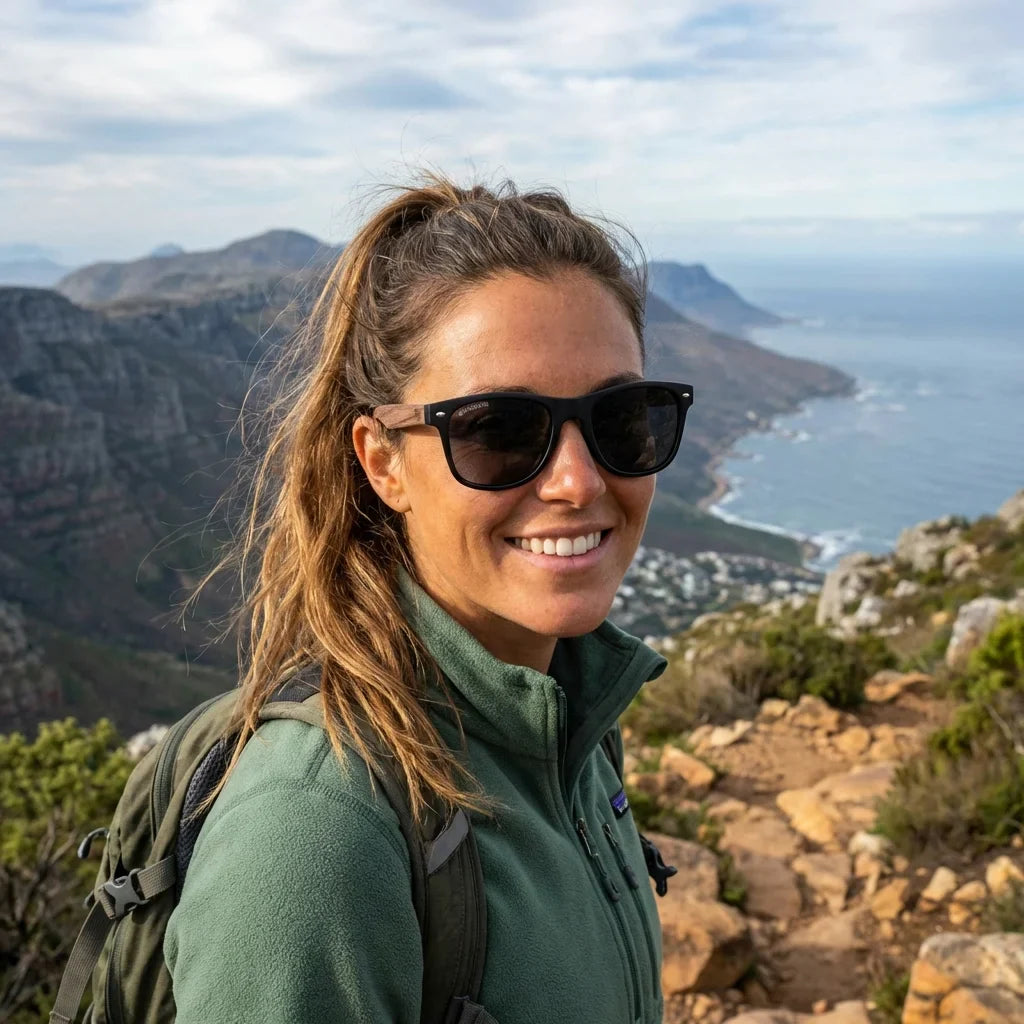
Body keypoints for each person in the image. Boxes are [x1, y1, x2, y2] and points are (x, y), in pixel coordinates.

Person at [163, 176, 694, 1024]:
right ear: (383, 462)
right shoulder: (317, 837)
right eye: (497, 430)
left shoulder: (563, 713)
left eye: (622, 417)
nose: (578, 480)